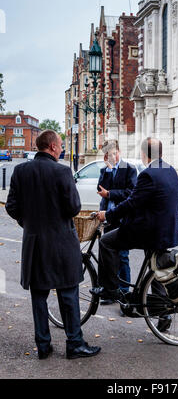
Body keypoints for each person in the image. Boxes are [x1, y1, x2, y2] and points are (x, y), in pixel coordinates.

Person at [5, 130, 101, 360]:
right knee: (68, 294)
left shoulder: (21, 171)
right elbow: (73, 208)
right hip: (61, 243)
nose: (61, 149)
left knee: (39, 296)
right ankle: (74, 344)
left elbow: (11, 206)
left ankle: (43, 345)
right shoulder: (62, 171)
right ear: (51, 147)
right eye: (60, 145)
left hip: (34, 243)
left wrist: (27, 223)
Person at [90, 137, 178, 332]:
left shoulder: (147, 174)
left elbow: (132, 202)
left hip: (150, 231)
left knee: (106, 242)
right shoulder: (170, 170)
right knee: (155, 269)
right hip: (167, 231)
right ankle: (163, 313)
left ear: (145, 154)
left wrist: (109, 215)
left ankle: (110, 289)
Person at [96, 140, 137, 305]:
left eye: (112, 153)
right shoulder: (105, 170)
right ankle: (111, 291)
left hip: (123, 219)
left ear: (118, 152)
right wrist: (108, 170)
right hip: (108, 218)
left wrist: (110, 194)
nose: (111, 156)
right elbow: (100, 190)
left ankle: (125, 294)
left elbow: (130, 193)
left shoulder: (129, 169)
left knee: (122, 256)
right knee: (108, 257)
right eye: (107, 154)